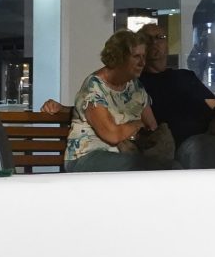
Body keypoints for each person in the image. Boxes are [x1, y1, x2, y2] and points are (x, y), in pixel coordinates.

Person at [60, 30, 162, 172]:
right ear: (120, 58)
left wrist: (134, 132)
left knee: (171, 167)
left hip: (126, 156)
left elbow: (152, 127)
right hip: (87, 157)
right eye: (136, 57)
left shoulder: (135, 86)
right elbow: (112, 135)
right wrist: (138, 124)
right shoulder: (94, 87)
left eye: (144, 56)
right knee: (140, 167)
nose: (142, 63)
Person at [135, 22, 215, 148]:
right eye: (147, 38)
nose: (154, 42)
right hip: (181, 144)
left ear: (167, 45)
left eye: (159, 37)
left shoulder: (185, 76)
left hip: (211, 136)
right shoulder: (136, 85)